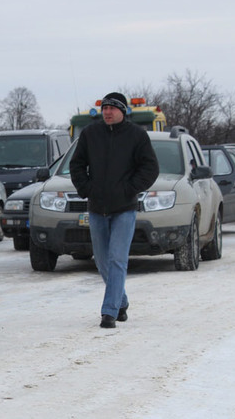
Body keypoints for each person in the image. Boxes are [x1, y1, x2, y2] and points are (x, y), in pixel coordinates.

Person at [69, 92, 159, 329]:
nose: (107, 112)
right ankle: (121, 300)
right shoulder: (90, 134)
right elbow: (76, 164)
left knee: (117, 259)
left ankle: (108, 312)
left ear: (123, 111)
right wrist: (86, 188)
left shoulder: (137, 136)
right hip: (97, 208)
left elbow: (150, 168)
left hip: (124, 209)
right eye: (105, 108)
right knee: (102, 261)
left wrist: (130, 189)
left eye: (112, 108)